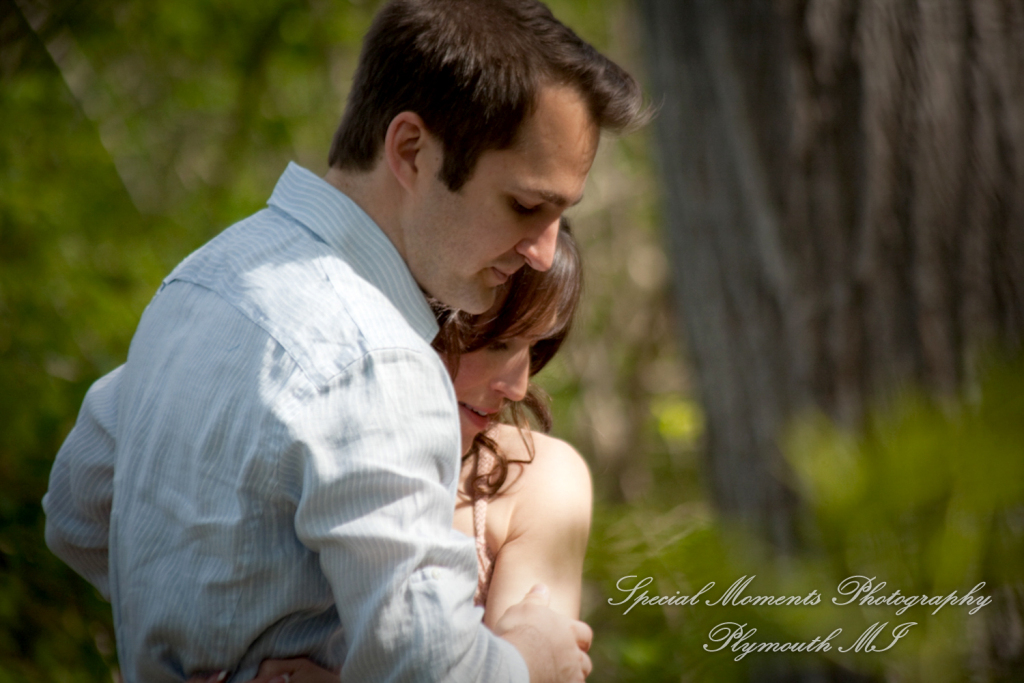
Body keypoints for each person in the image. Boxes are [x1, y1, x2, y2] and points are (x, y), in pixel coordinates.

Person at [43, 1, 645, 681]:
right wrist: (532, 657)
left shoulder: (207, 277)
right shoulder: (378, 357)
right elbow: (430, 670)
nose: (542, 252)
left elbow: (76, 506)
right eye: (526, 206)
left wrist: (199, 631)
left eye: (560, 214)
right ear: (412, 150)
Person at [202, 222, 590, 683]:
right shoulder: (299, 429)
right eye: (497, 342)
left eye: (535, 347)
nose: (518, 385)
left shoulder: (537, 478)